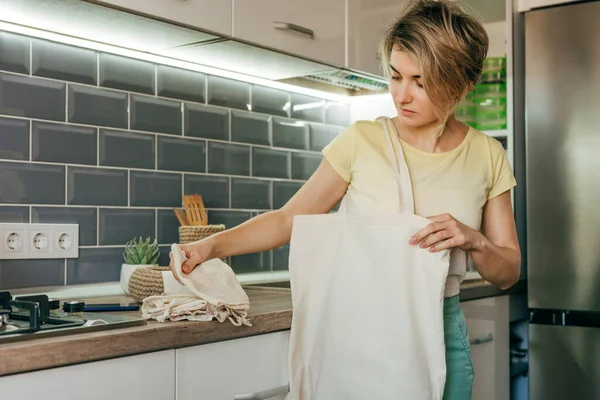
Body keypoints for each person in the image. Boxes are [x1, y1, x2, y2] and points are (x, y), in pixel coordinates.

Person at [170, 0, 521, 398]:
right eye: (395, 76)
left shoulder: (487, 154)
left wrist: (473, 239)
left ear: (461, 83)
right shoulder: (362, 141)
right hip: (360, 331)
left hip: (442, 329)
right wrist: (211, 246)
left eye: (420, 82)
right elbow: (288, 220)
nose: (402, 95)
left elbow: (508, 270)